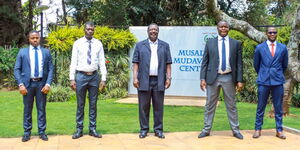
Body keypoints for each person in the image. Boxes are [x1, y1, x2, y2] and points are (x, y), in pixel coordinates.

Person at [199, 20, 244, 140]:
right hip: (212, 78)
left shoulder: (236, 43)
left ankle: (236, 131)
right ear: (217, 28)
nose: (223, 29)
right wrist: (202, 78)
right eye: (221, 27)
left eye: (225, 27)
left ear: (228, 28)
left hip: (229, 77)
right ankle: (206, 130)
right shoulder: (210, 43)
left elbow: (239, 64)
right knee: (209, 105)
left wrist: (239, 80)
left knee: (231, 105)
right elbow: (205, 62)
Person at [132, 23, 172, 139]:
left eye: (155, 29)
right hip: (143, 80)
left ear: (158, 31)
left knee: (158, 107)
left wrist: (168, 78)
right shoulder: (140, 45)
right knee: (143, 107)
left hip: (159, 81)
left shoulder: (165, 46)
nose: (153, 31)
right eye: (151, 29)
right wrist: (135, 78)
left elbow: (168, 64)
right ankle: (144, 129)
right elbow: (135, 63)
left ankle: (158, 130)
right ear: (147, 31)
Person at [14, 31, 54, 142]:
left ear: (39, 38)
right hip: (27, 85)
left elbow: (51, 69)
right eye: (32, 38)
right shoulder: (22, 52)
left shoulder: (46, 52)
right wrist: (20, 84)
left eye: (37, 37)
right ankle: (27, 133)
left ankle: (42, 132)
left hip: (42, 84)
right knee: (27, 109)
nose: (35, 40)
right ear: (29, 39)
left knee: (41, 109)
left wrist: (48, 84)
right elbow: (17, 69)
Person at [69, 21, 107, 139]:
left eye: (92, 29)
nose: (90, 31)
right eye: (88, 29)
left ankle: (92, 129)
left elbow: (102, 61)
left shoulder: (98, 44)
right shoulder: (77, 43)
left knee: (93, 104)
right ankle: (79, 130)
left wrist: (103, 78)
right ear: (84, 30)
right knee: (80, 104)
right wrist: (72, 78)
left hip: (94, 77)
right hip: (81, 76)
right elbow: (73, 61)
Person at [252, 27, 288, 139]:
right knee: (260, 106)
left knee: (278, 107)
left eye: (274, 32)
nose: (272, 34)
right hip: (264, 81)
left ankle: (279, 130)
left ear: (276, 34)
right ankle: (257, 129)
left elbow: (284, 65)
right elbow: (256, 65)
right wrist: (264, 73)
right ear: (266, 33)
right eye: (270, 32)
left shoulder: (283, 48)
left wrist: (276, 73)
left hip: (277, 81)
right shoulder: (259, 47)